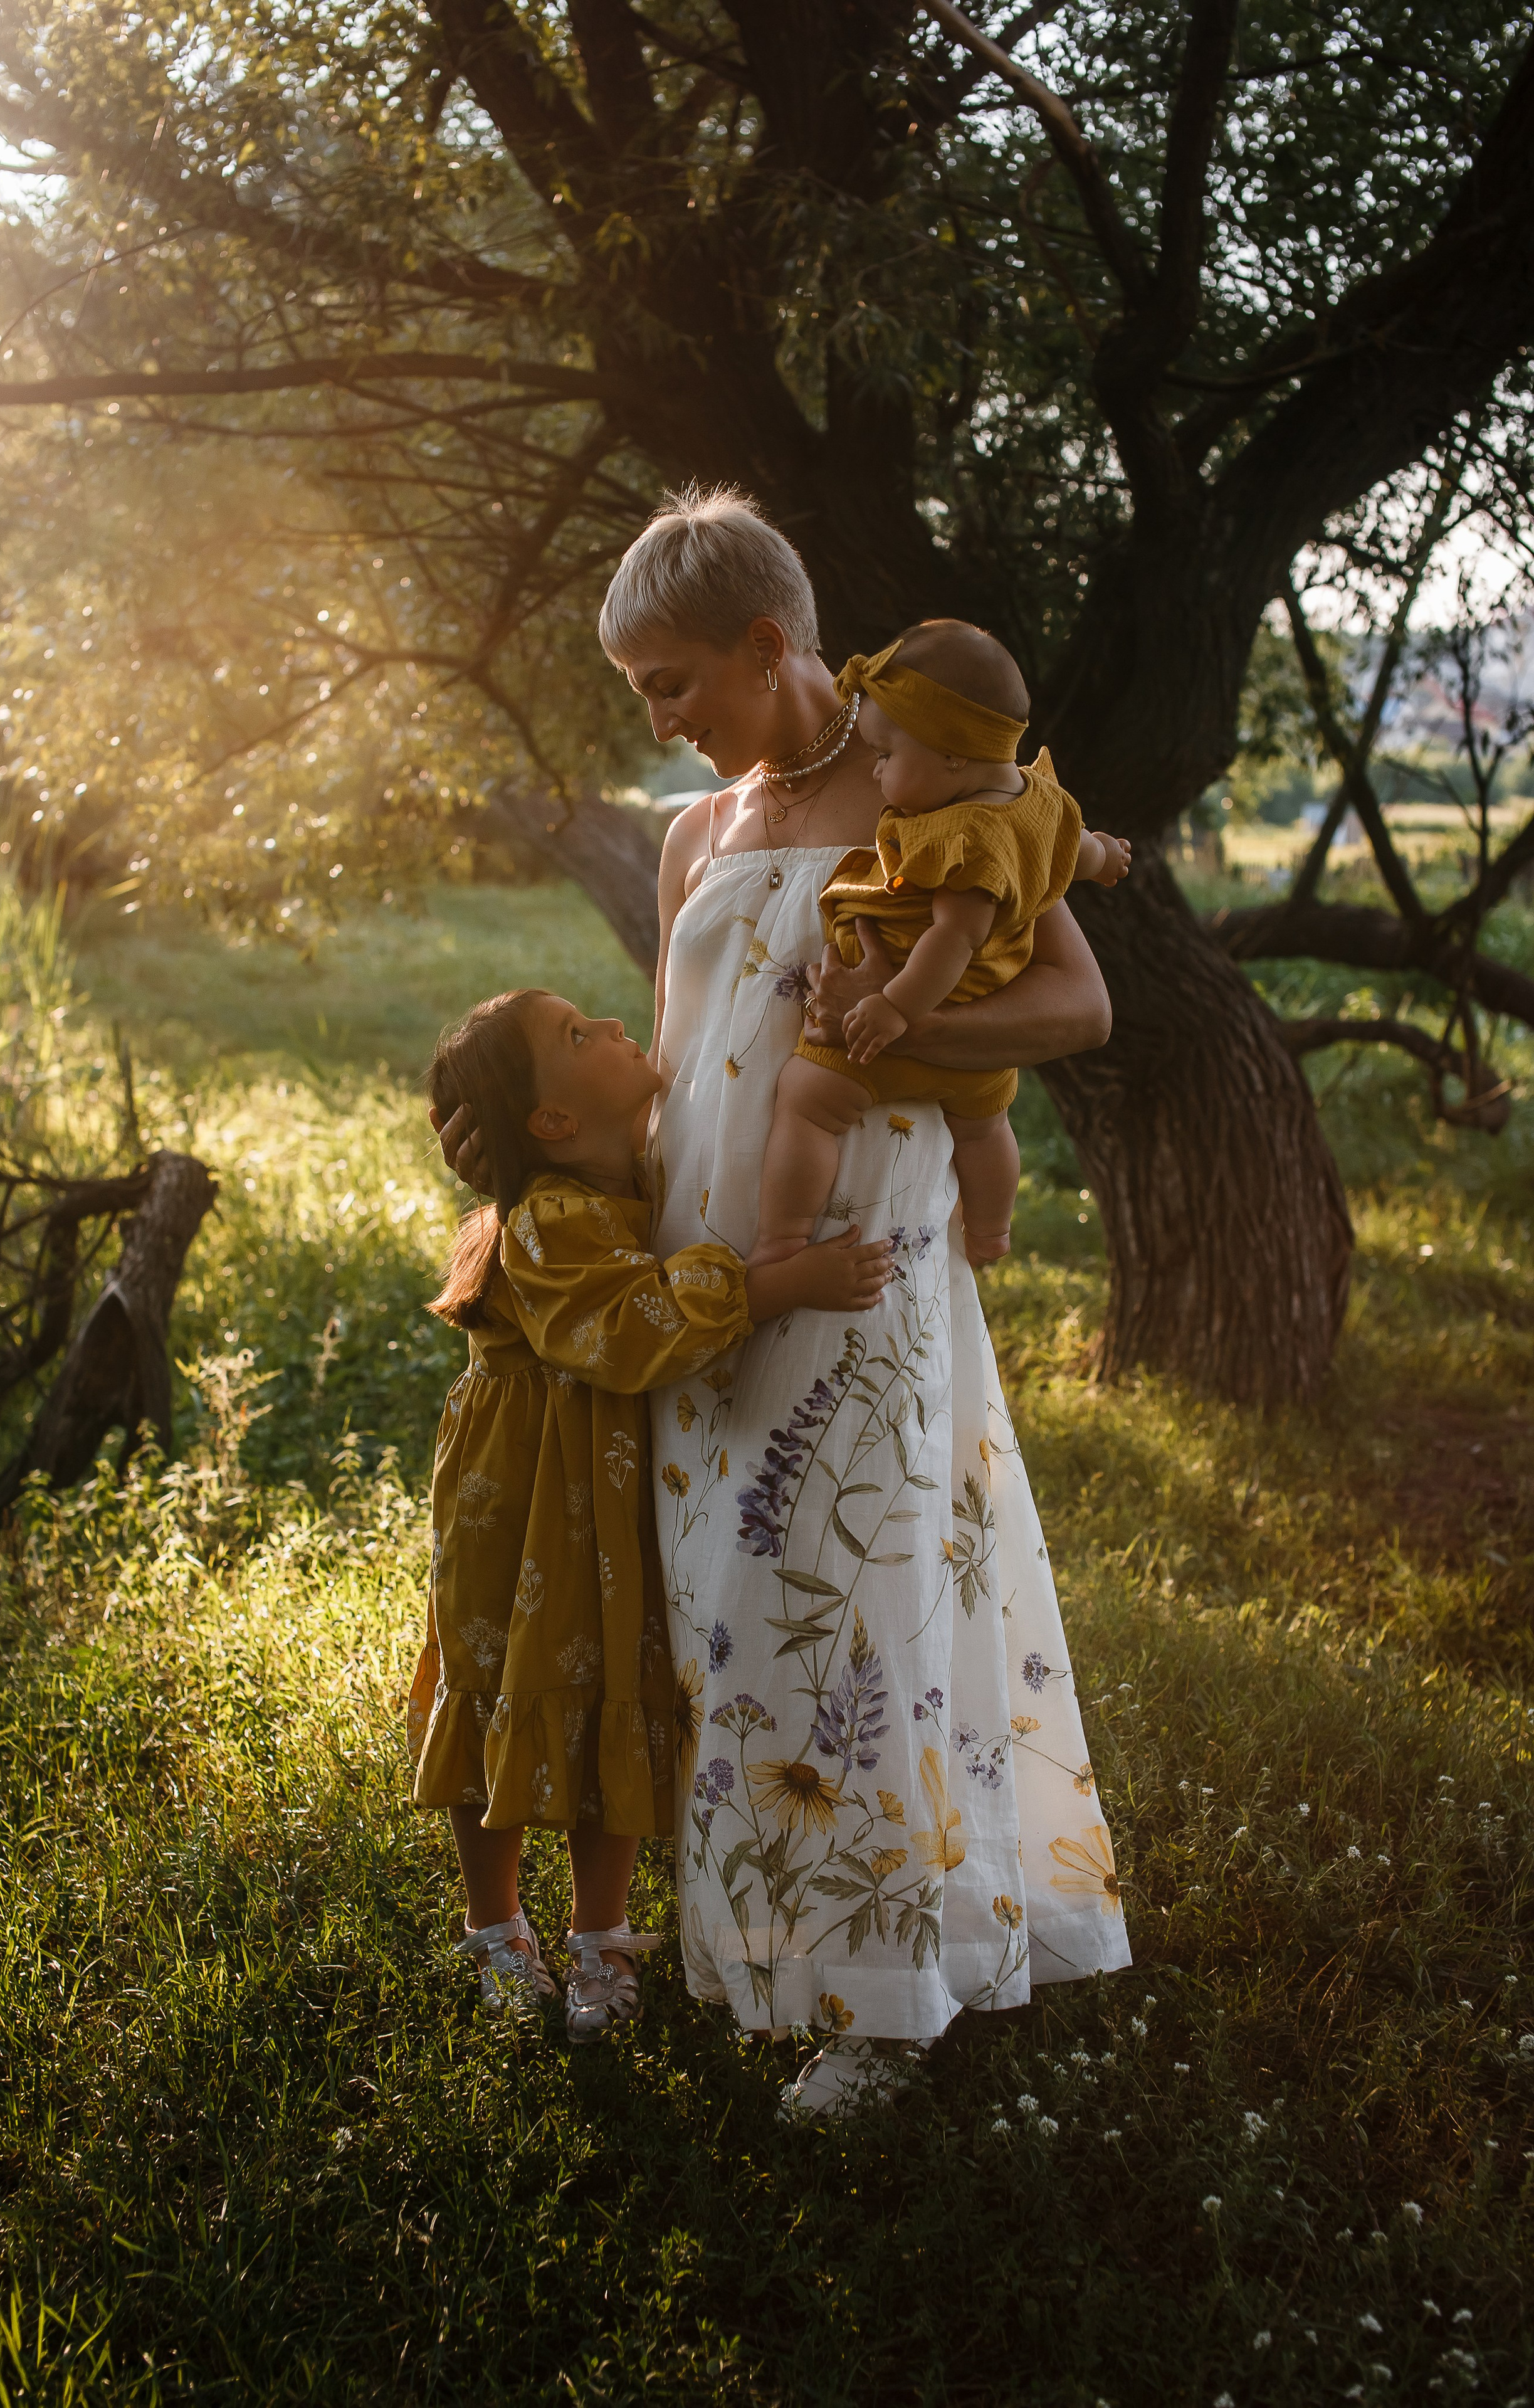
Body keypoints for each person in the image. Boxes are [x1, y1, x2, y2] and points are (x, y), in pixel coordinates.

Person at [407, 985, 891, 2046]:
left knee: (608, 1699)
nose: (616, 1026)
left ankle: (600, 1936)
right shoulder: (548, 1219)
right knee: (496, 1693)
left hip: (599, 1498)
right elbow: (630, 1331)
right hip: (519, 1501)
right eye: (578, 1036)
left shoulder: (641, 1178)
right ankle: (496, 1931)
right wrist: (778, 1283)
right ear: (552, 1124)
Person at [750, 619, 1131, 1269]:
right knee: (984, 1127)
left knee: (806, 1100)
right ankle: (990, 1231)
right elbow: (1077, 850)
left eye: (886, 756)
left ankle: (782, 1237)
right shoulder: (1041, 803)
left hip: (898, 1020)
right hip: (983, 1048)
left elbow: (952, 939)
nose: (874, 773)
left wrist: (894, 1011)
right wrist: (1107, 858)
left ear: (951, 754)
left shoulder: (959, 839)